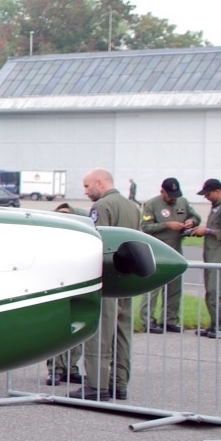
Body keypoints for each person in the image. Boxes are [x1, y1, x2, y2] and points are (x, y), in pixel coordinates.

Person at [78, 168, 141, 400]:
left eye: (87, 186)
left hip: (107, 279)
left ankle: (97, 383)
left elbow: (98, 243)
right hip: (127, 279)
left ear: (100, 183)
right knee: (123, 332)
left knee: (100, 332)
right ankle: (120, 382)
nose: (85, 191)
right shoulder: (132, 207)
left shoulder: (102, 207)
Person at [139, 177, 198, 332]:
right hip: (157, 253)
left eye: (175, 195)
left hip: (176, 252)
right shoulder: (152, 204)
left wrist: (191, 221)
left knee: (174, 288)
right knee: (153, 288)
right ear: (162, 191)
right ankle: (148, 320)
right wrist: (167, 225)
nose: (173, 198)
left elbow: (196, 217)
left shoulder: (183, 202)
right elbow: (145, 227)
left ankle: (170, 320)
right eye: (170, 195)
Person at [191, 179, 221, 336]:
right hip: (211, 255)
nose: (206, 197)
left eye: (208, 194)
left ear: (217, 191)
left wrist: (207, 231)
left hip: (220, 256)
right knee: (210, 292)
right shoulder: (217, 207)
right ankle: (214, 324)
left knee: (215, 291)